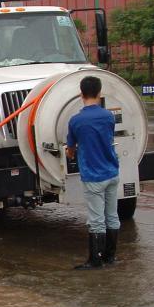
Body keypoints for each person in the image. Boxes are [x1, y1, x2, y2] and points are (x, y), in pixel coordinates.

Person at [66, 75, 120, 269]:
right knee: (112, 216)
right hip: (112, 172)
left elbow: (71, 149)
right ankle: (110, 257)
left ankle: (95, 260)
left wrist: (70, 152)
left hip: (93, 175)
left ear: (81, 94)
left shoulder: (76, 121)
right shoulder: (108, 116)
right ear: (99, 93)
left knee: (96, 220)